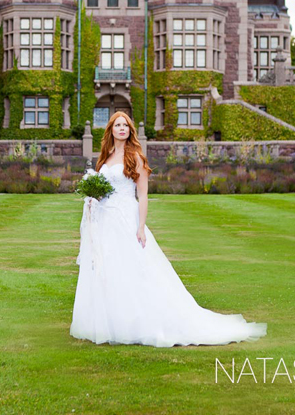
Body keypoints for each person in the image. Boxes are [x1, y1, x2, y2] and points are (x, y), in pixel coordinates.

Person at [70, 111, 267, 347]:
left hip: (125, 218)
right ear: (111, 129)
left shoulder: (136, 158)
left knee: (135, 270)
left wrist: (141, 227)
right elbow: (103, 189)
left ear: (130, 130)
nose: (122, 128)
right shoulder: (106, 157)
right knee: (108, 269)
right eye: (117, 125)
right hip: (104, 221)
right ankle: (110, 320)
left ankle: (142, 322)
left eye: (125, 125)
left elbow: (142, 195)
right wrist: (92, 199)